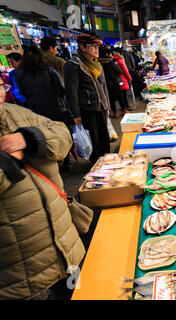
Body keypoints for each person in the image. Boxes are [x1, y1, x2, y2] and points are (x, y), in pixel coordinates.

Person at [0, 77, 86, 300]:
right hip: (21, 272)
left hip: (66, 245)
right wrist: (7, 161)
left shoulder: (14, 113)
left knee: (82, 292)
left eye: (0, 86)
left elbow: (62, 135)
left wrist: (30, 139)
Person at [64, 34, 111, 164]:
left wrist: (107, 106)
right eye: (93, 46)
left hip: (100, 106)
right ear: (82, 47)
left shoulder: (97, 64)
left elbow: (103, 86)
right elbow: (71, 91)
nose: (97, 49)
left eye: (98, 46)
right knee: (93, 139)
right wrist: (76, 114)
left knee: (104, 137)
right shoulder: (73, 65)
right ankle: (97, 165)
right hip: (86, 109)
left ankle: (108, 161)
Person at [15, 46, 68, 124]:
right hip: (55, 108)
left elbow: (22, 91)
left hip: (36, 110)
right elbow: (62, 87)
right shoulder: (49, 70)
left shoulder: (19, 73)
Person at [99, 46, 123, 119]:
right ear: (107, 54)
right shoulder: (111, 63)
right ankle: (124, 109)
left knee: (111, 99)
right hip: (115, 82)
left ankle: (115, 112)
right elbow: (120, 71)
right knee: (120, 97)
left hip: (106, 84)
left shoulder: (100, 64)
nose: (111, 55)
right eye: (110, 54)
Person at [112, 47, 133, 116]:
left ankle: (124, 108)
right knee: (124, 95)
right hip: (123, 80)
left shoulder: (113, 61)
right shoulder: (120, 60)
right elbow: (125, 71)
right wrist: (130, 78)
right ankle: (125, 108)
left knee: (121, 95)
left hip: (116, 80)